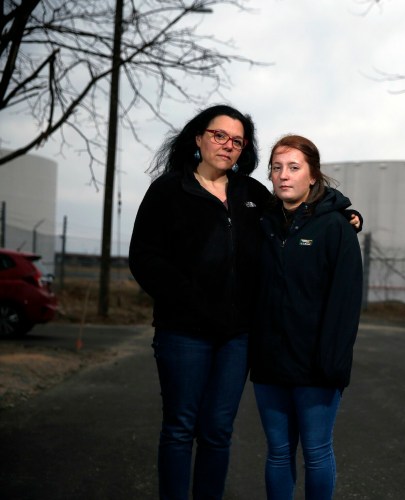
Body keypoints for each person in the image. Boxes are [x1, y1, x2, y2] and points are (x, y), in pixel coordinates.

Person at [129, 106, 360, 500]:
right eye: (219, 135)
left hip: (236, 338)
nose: (227, 145)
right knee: (181, 427)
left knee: (218, 431)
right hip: (184, 332)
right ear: (199, 138)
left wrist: (343, 210)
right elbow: (144, 258)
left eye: (236, 140)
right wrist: (189, 299)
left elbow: (303, 208)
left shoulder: (250, 194)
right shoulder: (168, 190)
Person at [250, 134, 364, 500]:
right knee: (279, 453)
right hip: (270, 365)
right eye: (277, 168)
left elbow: (345, 304)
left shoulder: (336, 228)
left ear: (312, 175)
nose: (284, 175)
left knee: (316, 453)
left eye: (294, 168)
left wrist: (333, 364)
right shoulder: (263, 224)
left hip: (317, 367)